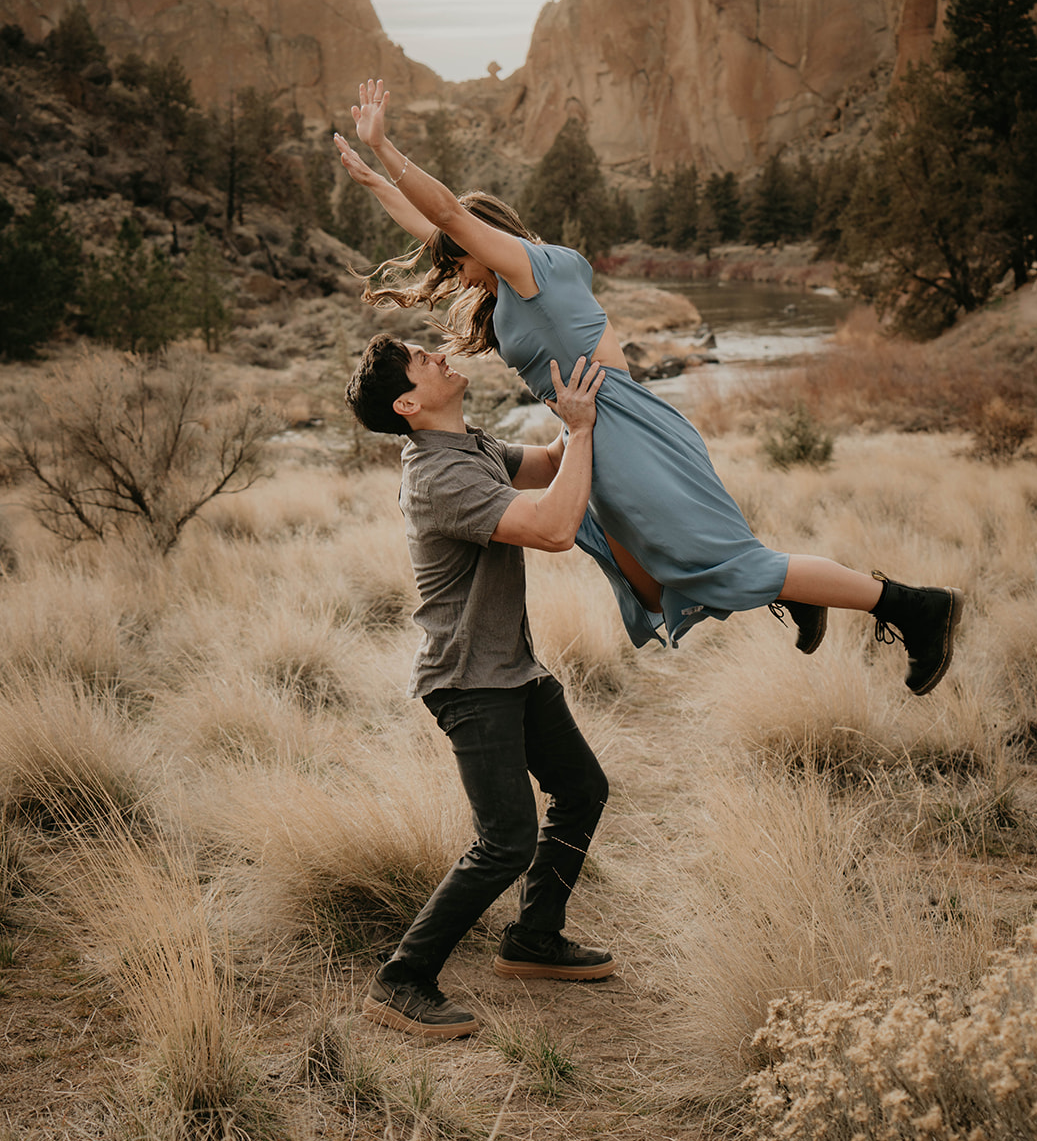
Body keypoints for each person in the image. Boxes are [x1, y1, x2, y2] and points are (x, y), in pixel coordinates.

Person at [335, 80, 963, 697]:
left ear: (484, 234)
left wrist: (389, 148)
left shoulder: (533, 269)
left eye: (457, 250)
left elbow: (444, 215)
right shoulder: (501, 289)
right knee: (658, 576)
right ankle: (796, 590)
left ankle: (914, 608)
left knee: (731, 565)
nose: (447, 262)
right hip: (592, 429)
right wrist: (375, 184)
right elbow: (432, 228)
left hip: (620, 425)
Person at [346, 334, 613, 1039]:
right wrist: (582, 429)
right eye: (420, 358)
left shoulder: (470, 447)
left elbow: (553, 465)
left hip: (511, 669)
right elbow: (553, 529)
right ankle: (401, 979)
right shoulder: (437, 476)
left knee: (582, 789)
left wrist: (575, 408)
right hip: (469, 681)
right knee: (506, 840)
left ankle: (533, 940)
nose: (437, 352)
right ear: (407, 403)